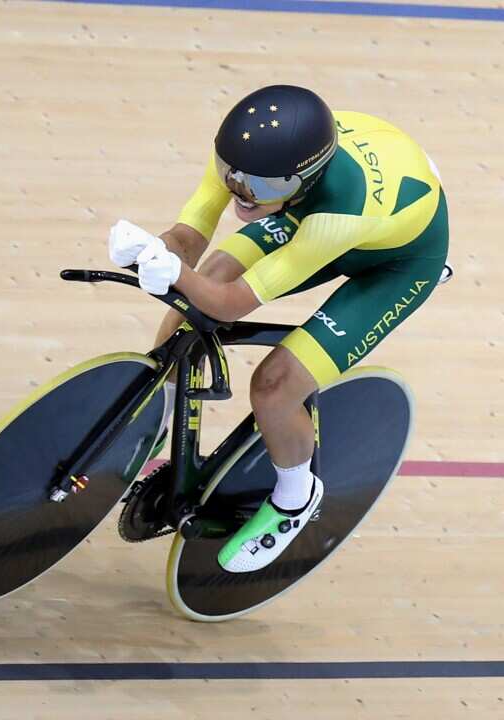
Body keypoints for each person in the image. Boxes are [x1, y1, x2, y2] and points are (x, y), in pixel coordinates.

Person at [107, 85, 449, 573]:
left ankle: (294, 498)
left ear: (304, 178)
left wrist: (177, 274)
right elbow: (188, 239)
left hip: (395, 263)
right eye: (233, 179)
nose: (243, 194)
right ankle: (155, 414)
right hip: (315, 214)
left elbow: (231, 302)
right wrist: (151, 248)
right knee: (199, 294)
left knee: (274, 386)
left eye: (262, 188)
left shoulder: (338, 211)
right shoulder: (244, 159)